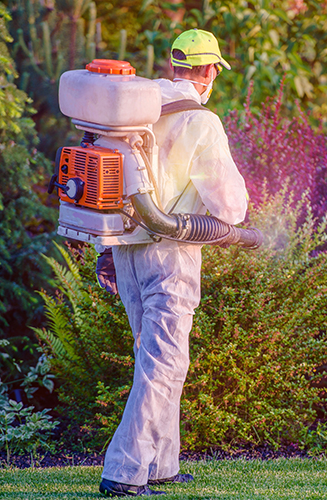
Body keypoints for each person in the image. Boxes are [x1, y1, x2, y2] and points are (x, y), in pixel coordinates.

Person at [97, 29, 249, 497]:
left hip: (124, 249)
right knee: (164, 363)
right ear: (208, 72)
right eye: (214, 73)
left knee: (156, 358)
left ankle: (162, 464)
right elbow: (229, 207)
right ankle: (123, 472)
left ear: (173, 66)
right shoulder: (201, 122)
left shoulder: (134, 111)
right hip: (170, 252)